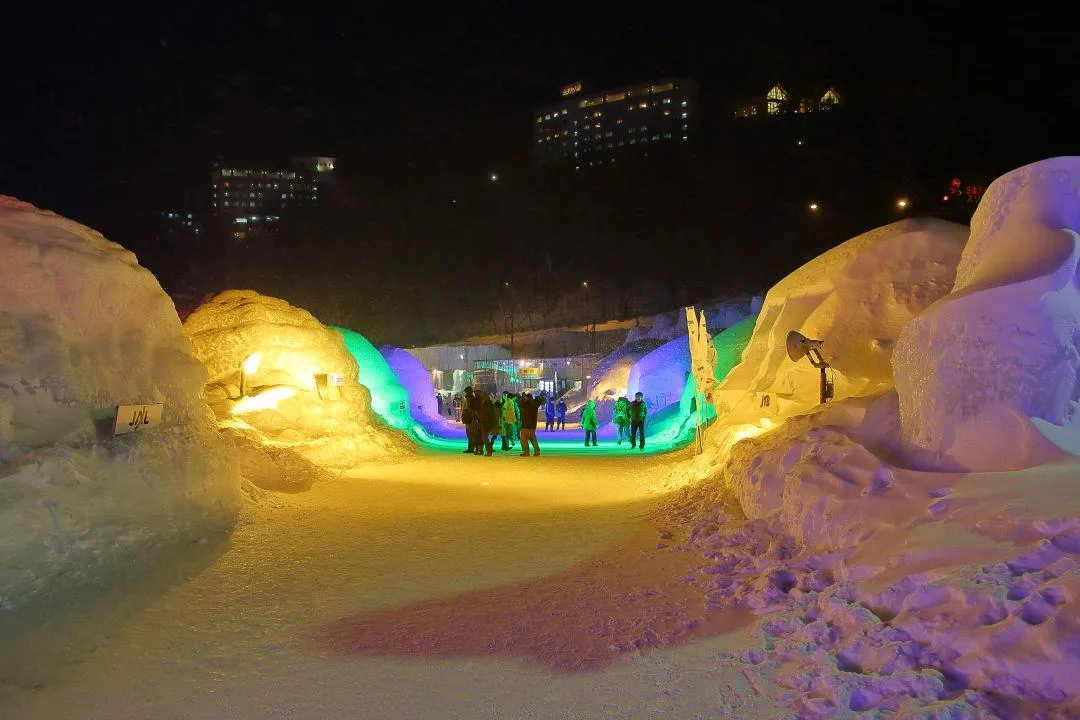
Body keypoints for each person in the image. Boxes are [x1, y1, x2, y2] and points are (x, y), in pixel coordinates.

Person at [517, 392, 541, 457]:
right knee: (533, 438)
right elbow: (539, 402)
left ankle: (526, 452)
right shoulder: (535, 406)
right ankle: (537, 451)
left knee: (523, 440)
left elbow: (519, 404)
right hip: (533, 425)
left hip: (525, 425)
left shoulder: (525, 405)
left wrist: (523, 398)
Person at [477, 390, 497, 456]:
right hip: (486, 422)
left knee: (484, 437)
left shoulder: (487, 404)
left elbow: (485, 413)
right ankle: (489, 450)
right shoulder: (487, 403)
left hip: (486, 422)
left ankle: (489, 451)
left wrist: (479, 416)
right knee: (484, 437)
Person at [460, 387, 478, 453]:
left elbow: (469, 409)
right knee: (470, 434)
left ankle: (473, 448)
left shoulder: (470, 398)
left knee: (471, 434)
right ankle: (472, 447)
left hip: (470, 418)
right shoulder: (469, 398)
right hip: (469, 418)